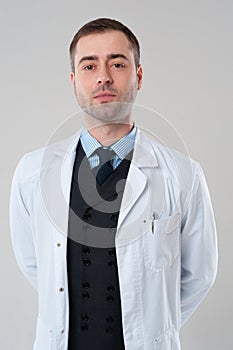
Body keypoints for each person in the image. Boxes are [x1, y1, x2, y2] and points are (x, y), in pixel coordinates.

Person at [9, 18, 218, 350]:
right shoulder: (34, 173)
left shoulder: (184, 175)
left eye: (117, 63)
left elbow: (199, 275)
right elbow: (36, 265)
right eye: (89, 65)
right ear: (74, 81)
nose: (103, 76)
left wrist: (152, 325)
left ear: (138, 76)